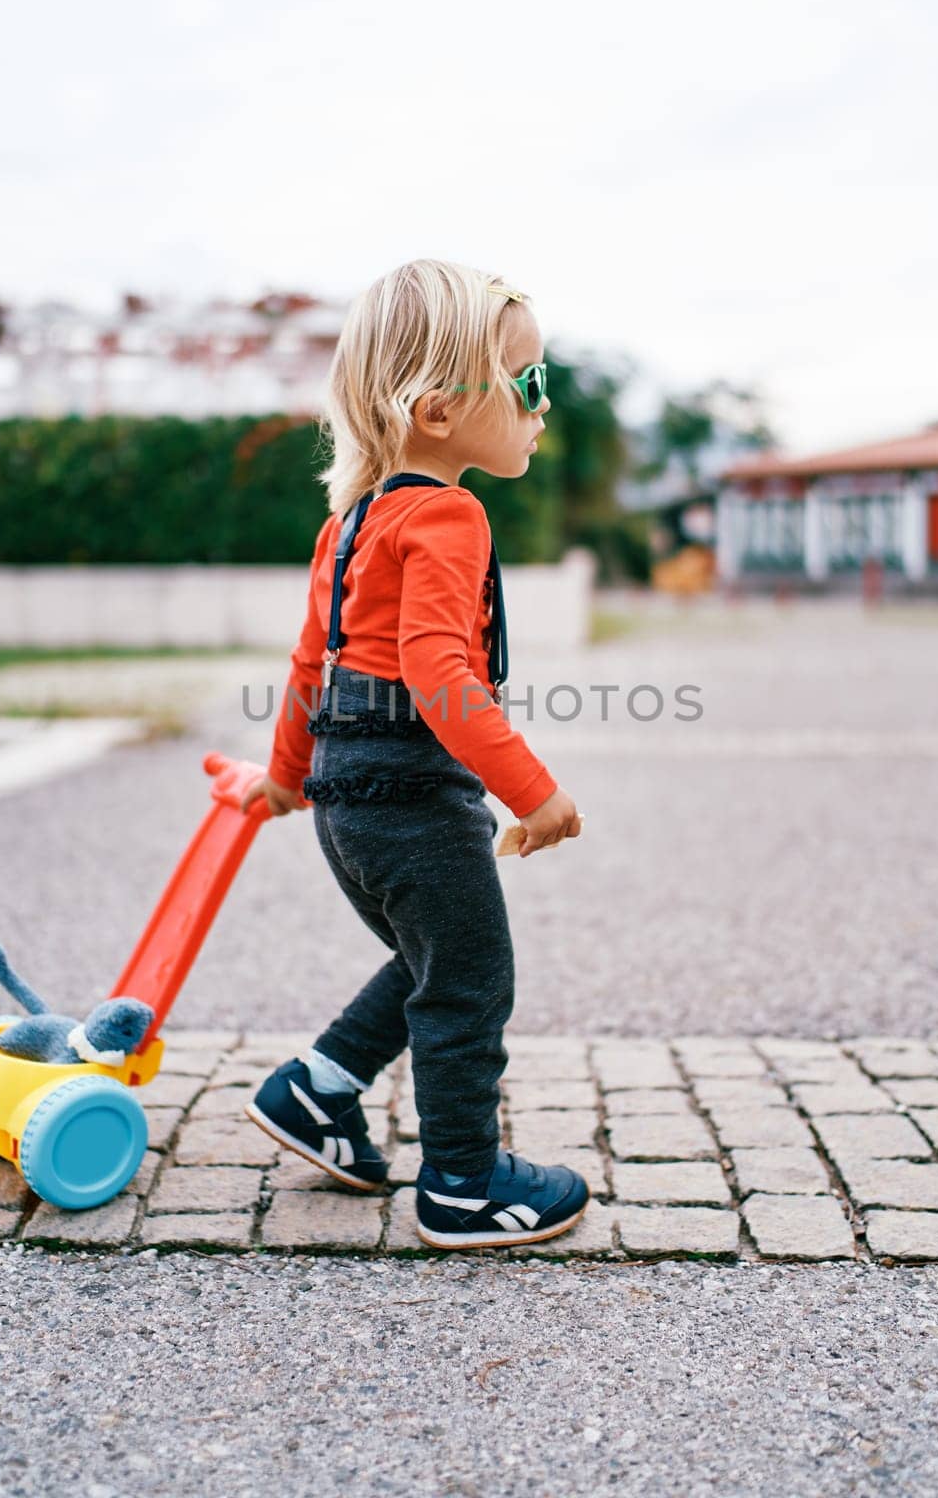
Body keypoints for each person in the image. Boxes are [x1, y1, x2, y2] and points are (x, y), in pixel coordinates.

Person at [239, 258, 588, 1250]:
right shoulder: (447, 512)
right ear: (437, 411)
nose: (541, 403)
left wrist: (286, 776)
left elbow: (310, 664)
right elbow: (439, 676)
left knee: (431, 958)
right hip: (410, 794)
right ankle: (465, 1183)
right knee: (471, 977)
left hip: (350, 800)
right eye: (526, 383)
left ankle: (318, 1090)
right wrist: (534, 793)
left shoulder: (349, 525)